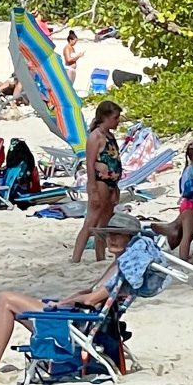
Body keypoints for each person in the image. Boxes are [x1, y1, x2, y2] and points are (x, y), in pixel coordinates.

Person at [0, 214, 141, 385]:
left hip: (78, 324)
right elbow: (90, 293)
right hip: (81, 319)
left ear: (130, 240)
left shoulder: (122, 269)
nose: (112, 239)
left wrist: (63, 305)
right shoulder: (123, 264)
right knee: (9, 300)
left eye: (119, 235)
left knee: (5, 300)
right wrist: (65, 301)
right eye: (110, 234)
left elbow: (91, 299)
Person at [72, 100, 123, 263]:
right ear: (105, 117)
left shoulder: (109, 136)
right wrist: (92, 188)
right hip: (100, 182)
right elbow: (90, 163)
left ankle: (99, 257)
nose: (118, 121)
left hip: (111, 183)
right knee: (92, 221)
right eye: (115, 118)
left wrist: (116, 186)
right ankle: (76, 258)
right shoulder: (96, 136)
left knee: (104, 222)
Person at [151, 143, 193, 260]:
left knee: (188, 234)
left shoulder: (191, 170)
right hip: (191, 206)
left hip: (189, 205)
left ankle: (173, 229)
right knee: (187, 235)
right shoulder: (191, 171)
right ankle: (183, 258)